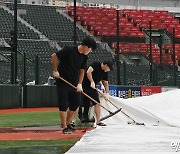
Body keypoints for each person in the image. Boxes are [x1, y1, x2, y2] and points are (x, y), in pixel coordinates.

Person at [51, 37, 97, 134]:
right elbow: (54, 56)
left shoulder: (84, 57)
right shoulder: (69, 50)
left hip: (74, 82)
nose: (89, 52)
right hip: (62, 81)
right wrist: (55, 71)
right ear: (85, 47)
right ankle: (64, 126)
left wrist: (80, 83)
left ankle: (67, 123)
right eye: (90, 49)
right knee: (63, 104)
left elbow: (82, 71)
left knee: (76, 103)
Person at [79, 60, 114, 126]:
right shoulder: (96, 64)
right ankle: (79, 117)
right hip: (83, 85)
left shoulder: (104, 72)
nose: (109, 70)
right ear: (106, 65)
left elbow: (106, 83)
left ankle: (98, 121)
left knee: (97, 103)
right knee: (80, 102)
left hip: (92, 87)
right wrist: (92, 81)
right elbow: (88, 72)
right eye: (109, 68)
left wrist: (107, 93)